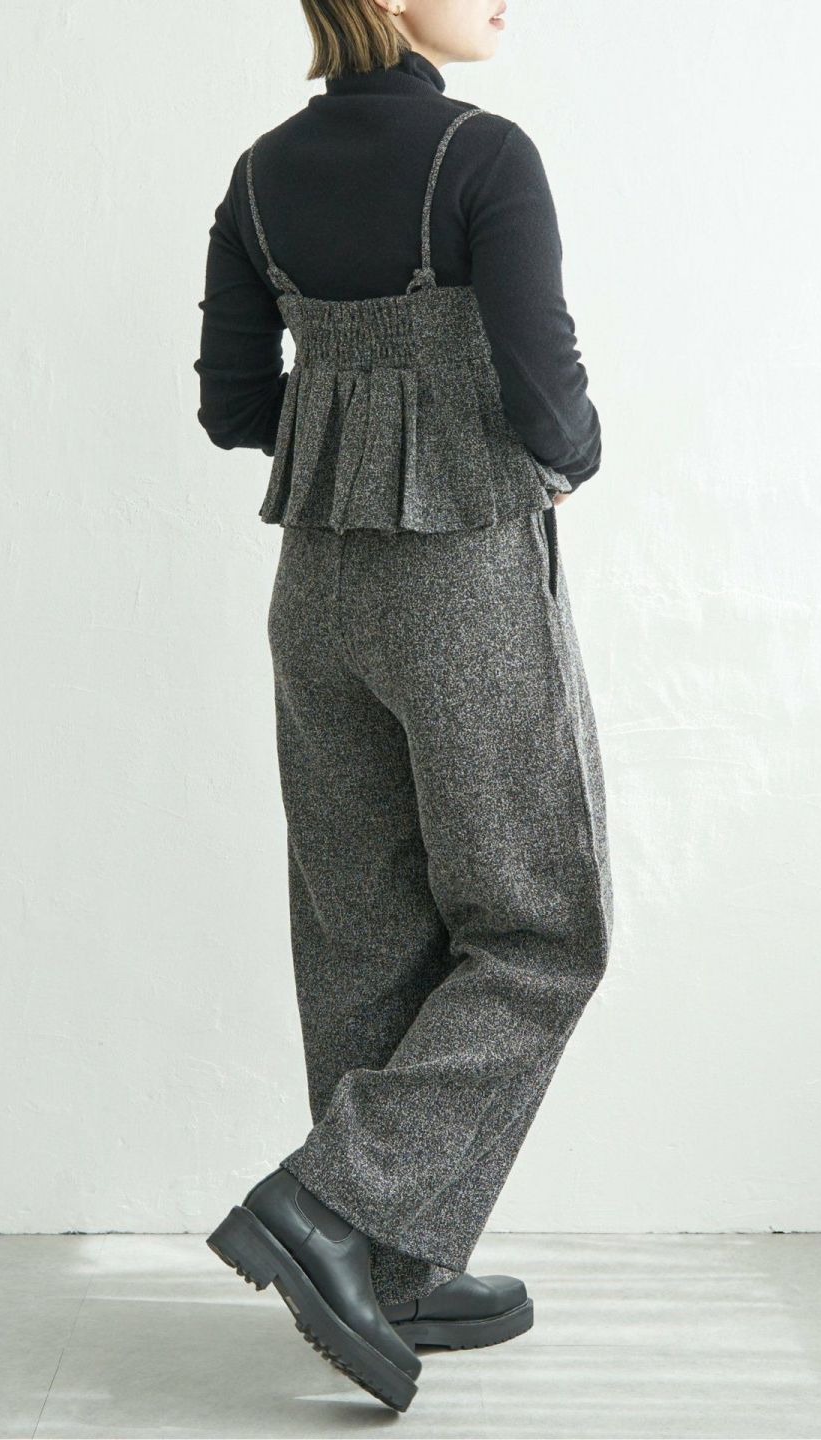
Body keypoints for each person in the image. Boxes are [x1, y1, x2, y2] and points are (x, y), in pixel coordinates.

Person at [195, 0, 613, 1413]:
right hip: (462, 581)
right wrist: (574, 455)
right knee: (541, 928)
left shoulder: (261, 172)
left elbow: (234, 404)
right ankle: (330, 1206)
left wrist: (349, 424)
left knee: (363, 930)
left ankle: (391, 1269)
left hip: (317, 583)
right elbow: (548, 397)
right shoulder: (484, 153)